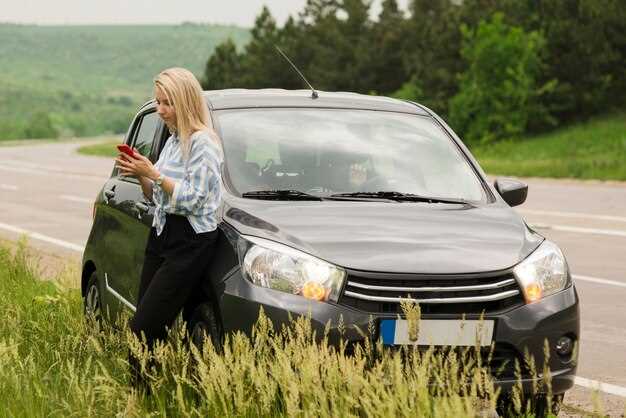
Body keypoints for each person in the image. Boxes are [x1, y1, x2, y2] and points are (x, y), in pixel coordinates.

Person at [115, 67, 223, 386]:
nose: (160, 110)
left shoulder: (204, 143)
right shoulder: (174, 141)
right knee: (150, 323)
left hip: (190, 241)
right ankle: (149, 392)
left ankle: (141, 396)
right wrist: (142, 174)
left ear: (186, 102)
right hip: (162, 233)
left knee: (142, 327)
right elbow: (157, 197)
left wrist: (156, 174)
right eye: (158, 101)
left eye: (167, 103)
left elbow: (195, 199)